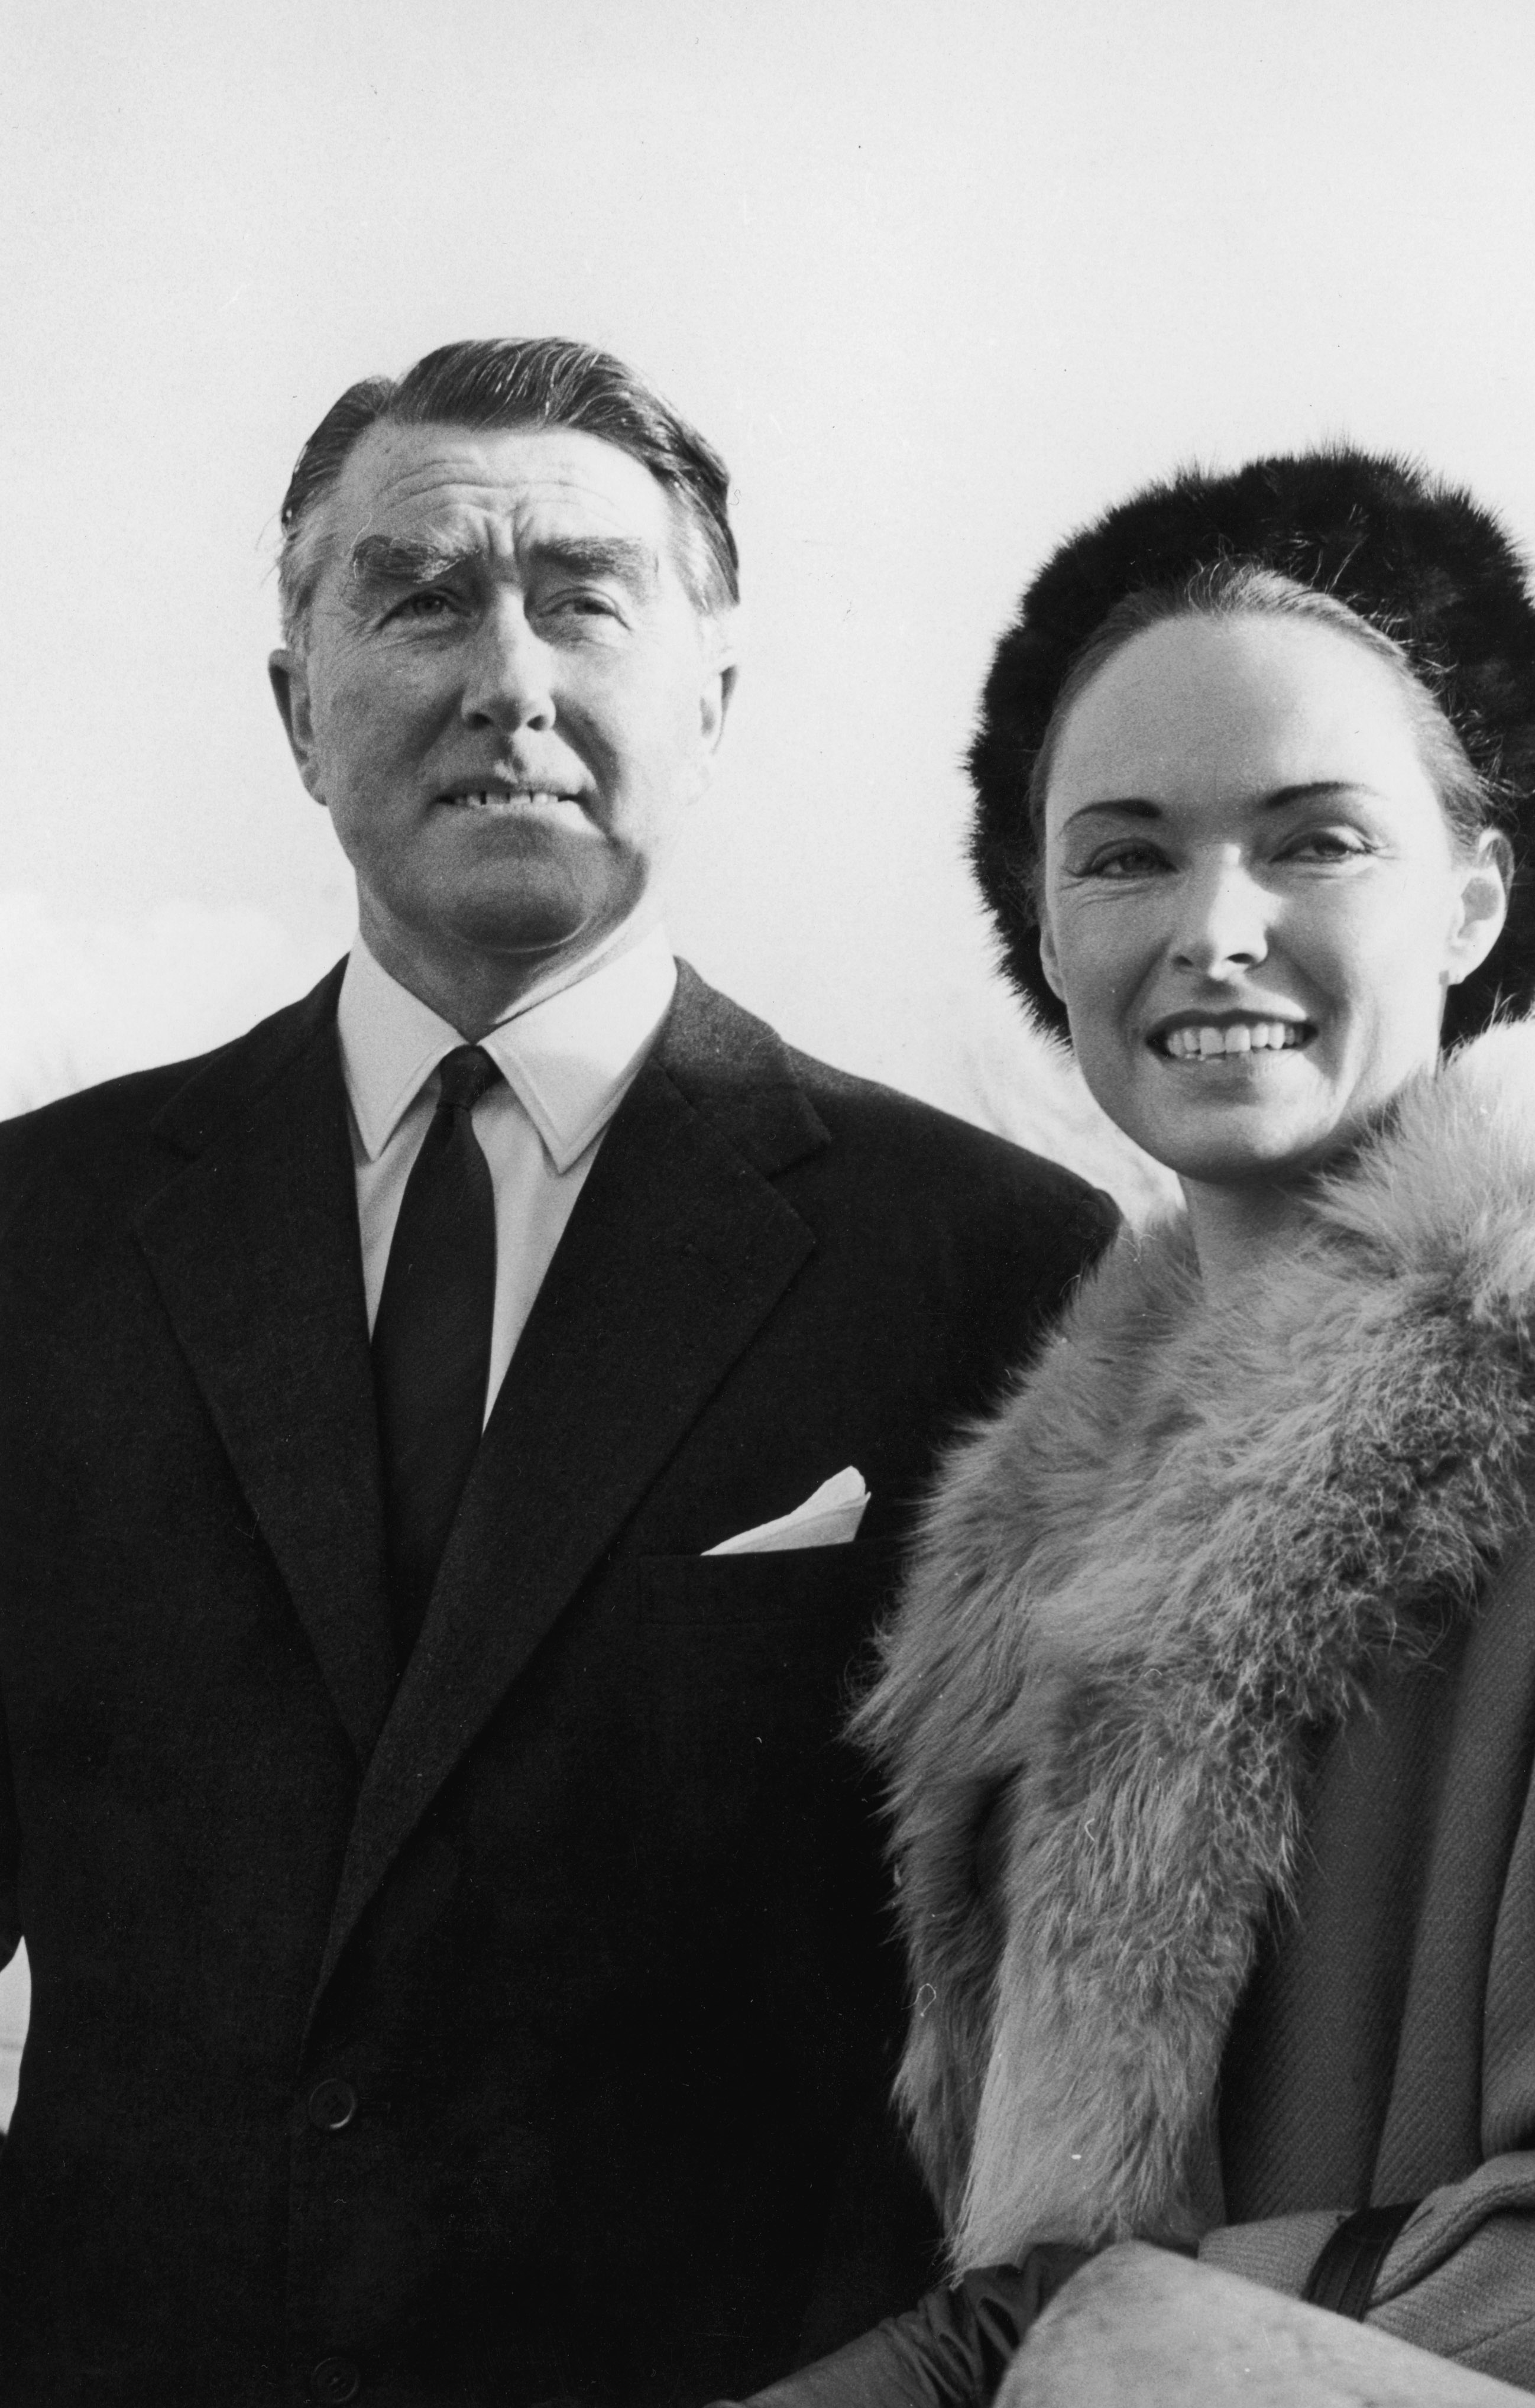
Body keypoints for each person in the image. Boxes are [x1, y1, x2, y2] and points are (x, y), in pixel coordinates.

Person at [0, 337, 1118, 2407]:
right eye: (422, 597)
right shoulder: (39, 1234)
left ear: (712, 694)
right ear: (296, 707)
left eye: (583, 599)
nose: (506, 676)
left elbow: (1050, 2031)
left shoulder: (990, 1263)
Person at [739, 451, 1535, 2406]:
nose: (1215, 928)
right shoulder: (1046, 1529)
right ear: (1042, 925)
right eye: (1125, 856)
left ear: (1472, 897)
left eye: (1313, 841)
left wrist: (1037, 2350)